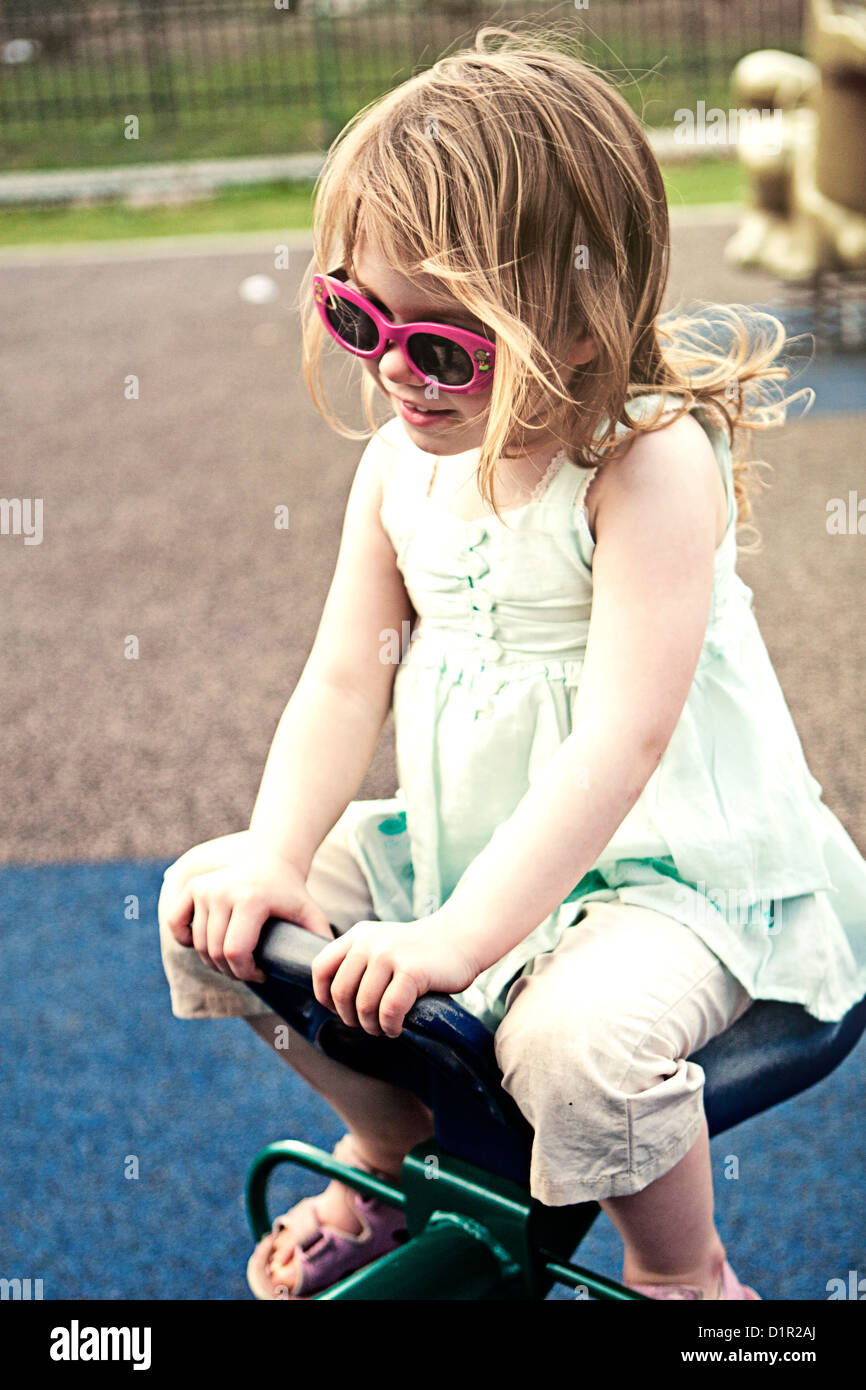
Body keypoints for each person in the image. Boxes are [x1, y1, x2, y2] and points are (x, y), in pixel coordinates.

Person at [158, 25, 866, 1301]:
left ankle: (681, 1273)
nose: (390, 370)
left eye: (444, 346)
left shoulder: (645, 464)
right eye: (354, 315)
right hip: (465, 844)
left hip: (671, 875)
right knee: (217, 908)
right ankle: (391, 1140)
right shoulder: (397, 465)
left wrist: (448, 939)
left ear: (582, 330)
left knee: (575, 1042)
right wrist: (275, 852)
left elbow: (622, 740)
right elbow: (341, 679)